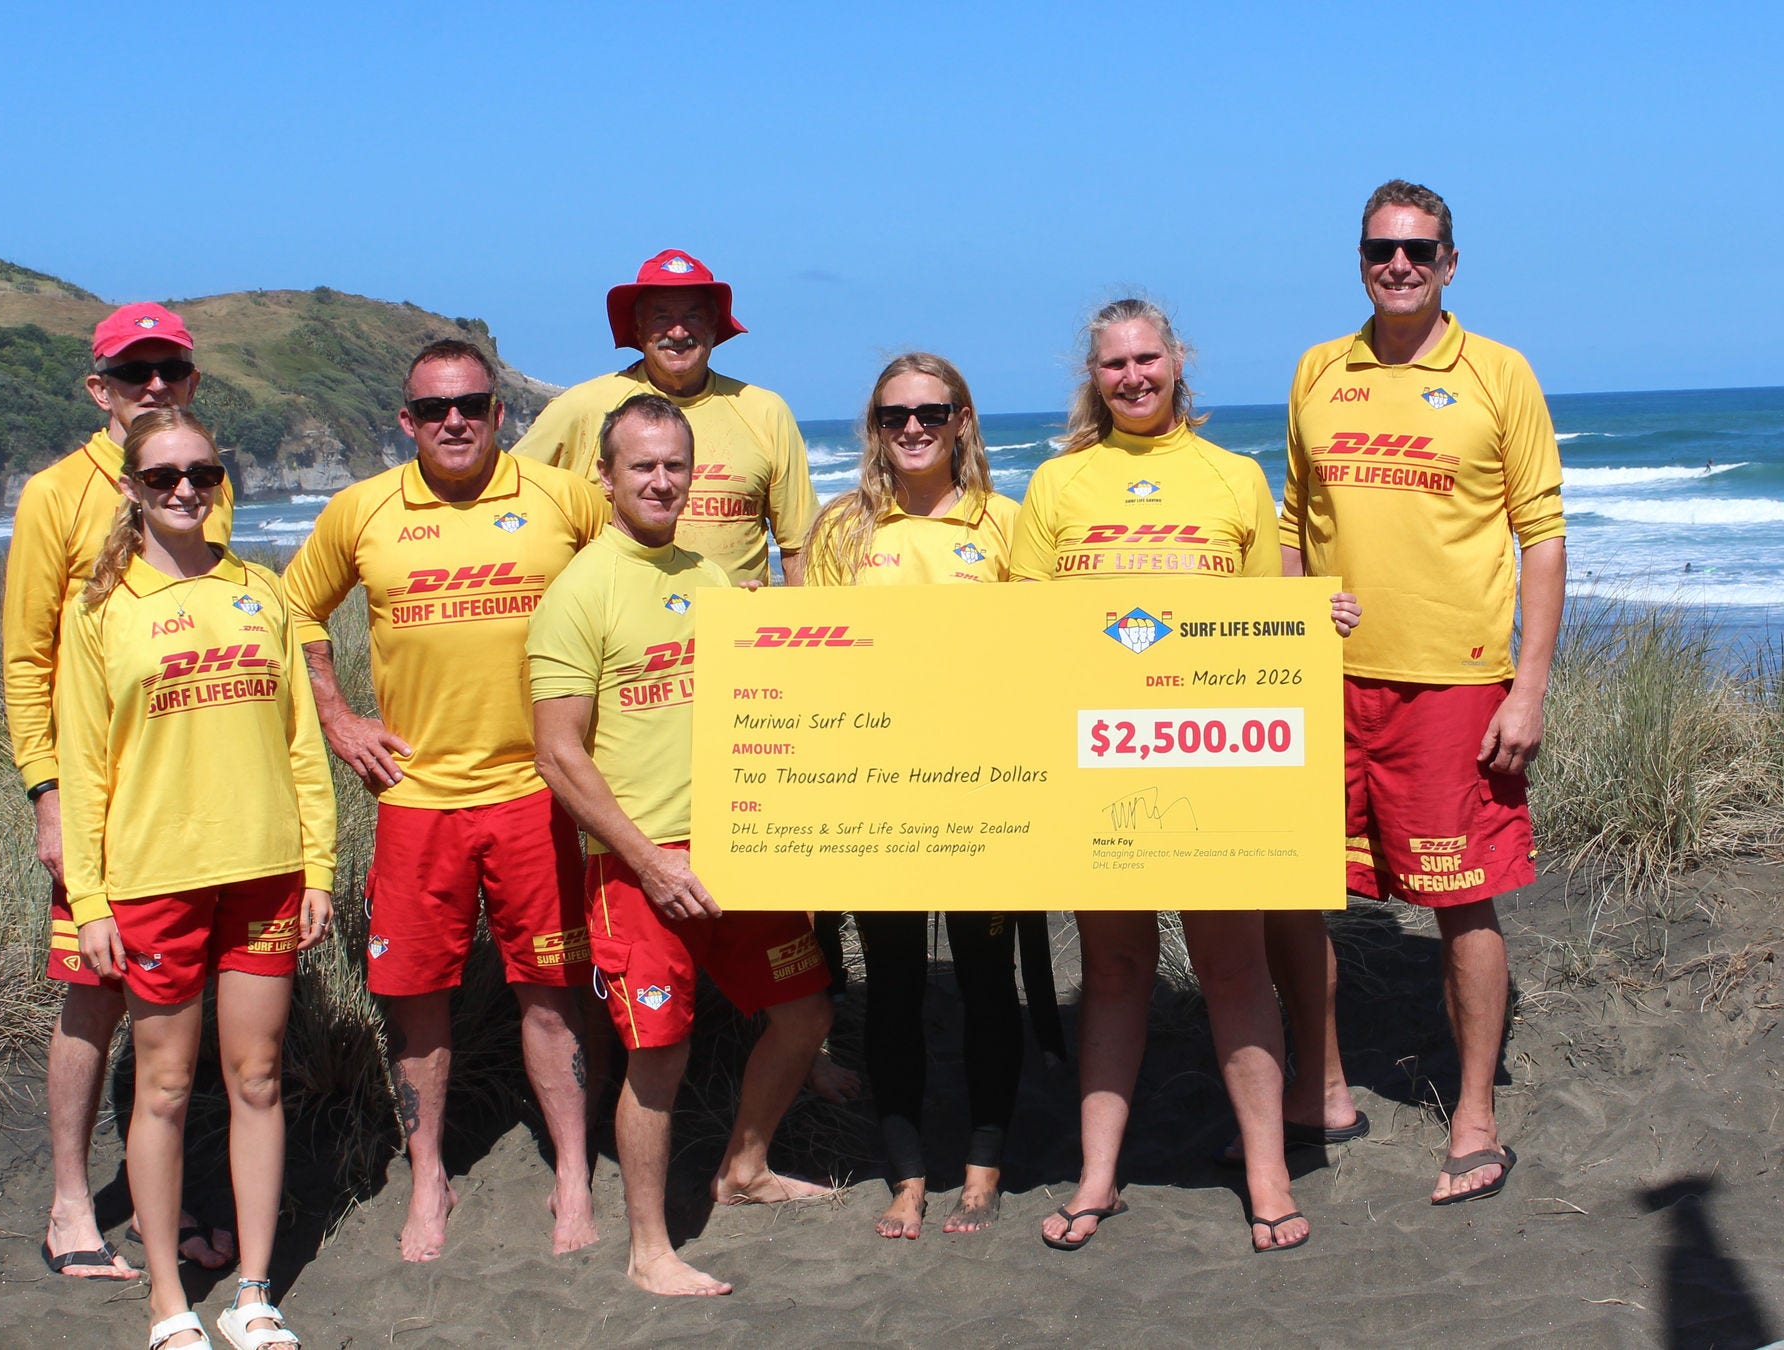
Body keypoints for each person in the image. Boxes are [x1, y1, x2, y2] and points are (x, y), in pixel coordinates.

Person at [1013, 299, 1360, 1255]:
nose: (1132, 376)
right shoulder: (1058, 484)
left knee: (1233, 966)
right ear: (1095, 376)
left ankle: (1267, 1177)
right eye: (1114, 363)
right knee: (1116, 970)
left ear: (1178, 362)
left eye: (1147, 358)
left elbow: (1268, 623)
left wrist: (1309, 623)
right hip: (1096, 762)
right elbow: (1021, 632)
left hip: (1214, 760)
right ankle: (1095, 1179)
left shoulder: (1233, 477)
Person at [281, 339, 609, 1262]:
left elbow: (637, 574)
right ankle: (429, 1174)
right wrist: (340, 718)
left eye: (470, 404)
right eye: (433, 409)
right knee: (415, 996)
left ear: (501, 413)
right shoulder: (365, 510)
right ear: (407, 422)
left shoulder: (561, 499)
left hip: (537, 792)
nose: (453, 420)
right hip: (416, 798)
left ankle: (574, 1171)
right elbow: (293, 609)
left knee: (550, 995)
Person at [1277, 180, 1565, 1206]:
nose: (1395, 265)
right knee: (1294, 892)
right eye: (1378, 249)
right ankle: (1318, 1092)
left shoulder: (1495, 373)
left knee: (1457, 899)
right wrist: (1291, 619)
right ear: (1358, 258)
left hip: (1454, 684)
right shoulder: (1318, 369)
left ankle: (1475, 1117)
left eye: (1416, 251)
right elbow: (1290, 524)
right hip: (1331, 684)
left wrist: (1525, 689)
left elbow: (1540, 534)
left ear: (1449, 263)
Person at [529, 394, 835, 1296]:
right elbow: (557, 752)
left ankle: (744, 1167)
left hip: (740, 848)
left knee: (806, 1012)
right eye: (642, 466)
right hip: (640, 864)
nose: (662, 481)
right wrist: (651, 862)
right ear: (607, 477)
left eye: (676, 465)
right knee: (658, 1055)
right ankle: (649, 1249)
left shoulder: (709, 578)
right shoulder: (580, 591)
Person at [59, 407, 335, 1350]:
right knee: (164, 1088)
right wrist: (90, 901)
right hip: (155, 882)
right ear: (133, 489)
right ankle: (168, 1300)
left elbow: (304, 743)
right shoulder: (99, 609)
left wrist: (321, 871)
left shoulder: (265, 590)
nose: (185, 490)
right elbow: (85, 766)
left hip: (265, 875)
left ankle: (254, 1290)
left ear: (223, 482)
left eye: (203, 473)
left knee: (257, 1076)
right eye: (164, 475)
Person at [1, 302, 238, 1281]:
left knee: (179, 1003)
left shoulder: (202, 480)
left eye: (170, 372)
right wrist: (47, 794)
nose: (153, 387)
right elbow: (25, 658)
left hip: (195, 790)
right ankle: (69, 1202)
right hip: (101, 795)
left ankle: (161, 1205)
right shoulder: (55, 494)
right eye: (134, 372)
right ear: (98, 387)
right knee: (94, 995)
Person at [802, 353, 1025, 1240]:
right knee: (889, 987)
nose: (915, 429)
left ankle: (984, 1161)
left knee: (985, 983)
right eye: (895, 417)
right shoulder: (841, 531)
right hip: (877, 791)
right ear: (876, 429)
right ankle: (904, 1175)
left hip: (988, 791)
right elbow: (809, 656)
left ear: (963, 420)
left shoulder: (1010, 523)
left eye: (932, 412)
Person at [510, 249, 820, 589]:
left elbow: (800, 545)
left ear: (715, 327)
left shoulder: (764, 410)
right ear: (639, 329)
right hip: (619, 629)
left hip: (732, 630)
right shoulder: (581, 408)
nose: (677, 331)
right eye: (661, 317)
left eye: (693, 316)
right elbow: (510, 496)